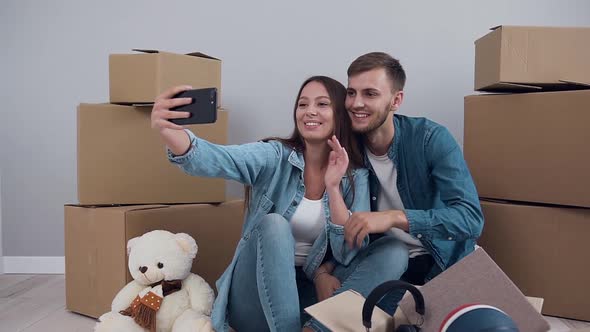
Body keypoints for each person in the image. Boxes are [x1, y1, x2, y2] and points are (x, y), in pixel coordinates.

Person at [151, 76, 408, 332]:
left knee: (394, 250)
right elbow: (220, 158)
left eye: (322, 104)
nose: (310, 112)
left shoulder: (356, 175)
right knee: (274, 225)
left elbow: (348, 253)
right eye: (302, 104)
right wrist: (171, 133)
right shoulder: (275, 156)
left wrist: (334, 187)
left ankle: (316, 329)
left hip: (308, 297)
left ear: (339, 114)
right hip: (254, 296)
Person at [341, 52, 484, 310]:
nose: (356, 103)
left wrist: (396, 217)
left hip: (440, 263)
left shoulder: (430, 139)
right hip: (384, 264)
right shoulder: (346, 147)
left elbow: (471, 219)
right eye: (351, 93)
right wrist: (323, 270)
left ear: (396, 100)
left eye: (370, 94)